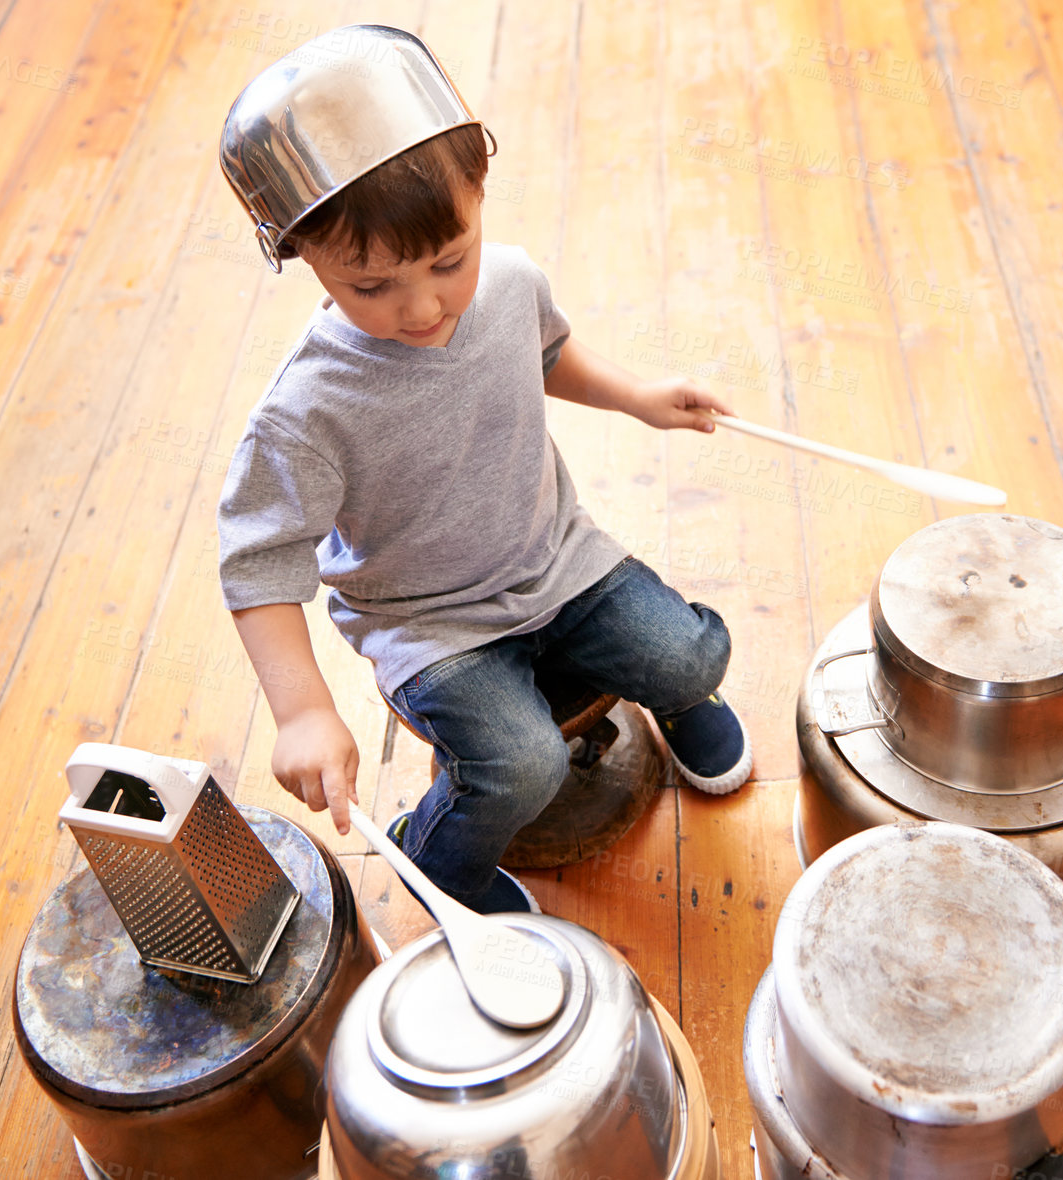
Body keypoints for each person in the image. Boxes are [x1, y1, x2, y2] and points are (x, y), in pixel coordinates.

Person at [215, 27, 752, 915]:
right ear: (303, 254)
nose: (421, 306)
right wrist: (303, 708)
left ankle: (679, 696)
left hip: (553, 558)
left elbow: (545, 354)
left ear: (479, 191)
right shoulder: (302, 412)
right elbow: (256, 565)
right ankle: (443, 865)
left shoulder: (506, 283)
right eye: (369, 285)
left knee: (689, 656)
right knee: (520, 764)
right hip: (433, 625)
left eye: (447, 261)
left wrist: (637, 397)